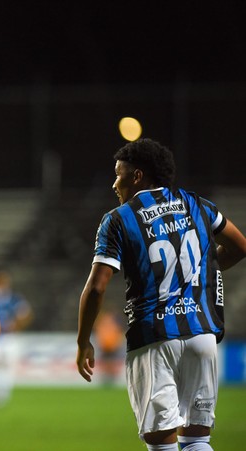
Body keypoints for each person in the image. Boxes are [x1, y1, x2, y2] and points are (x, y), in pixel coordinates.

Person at [76, 138, 246, 451]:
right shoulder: (198, 204)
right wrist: (197, 274)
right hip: (202, 337)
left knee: (162, 445)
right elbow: (240, 246)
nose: (115, 183)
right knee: (197, 440)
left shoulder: (118, 219)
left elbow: (97, 286)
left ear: (137, 176)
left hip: (153, 337)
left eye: (119, 174)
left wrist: (82, 340)